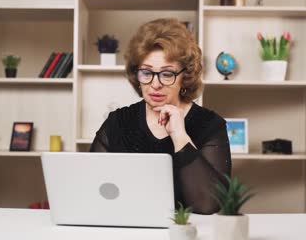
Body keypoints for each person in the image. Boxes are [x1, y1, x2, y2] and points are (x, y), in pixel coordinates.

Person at [90, 18, 231, 214]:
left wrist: (180, 136)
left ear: (185, 77)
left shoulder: (210, 125)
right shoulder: (117, 122)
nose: (155, 84)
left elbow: (208, 205)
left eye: (167, 74)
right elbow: (92, 190)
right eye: (147, 73)